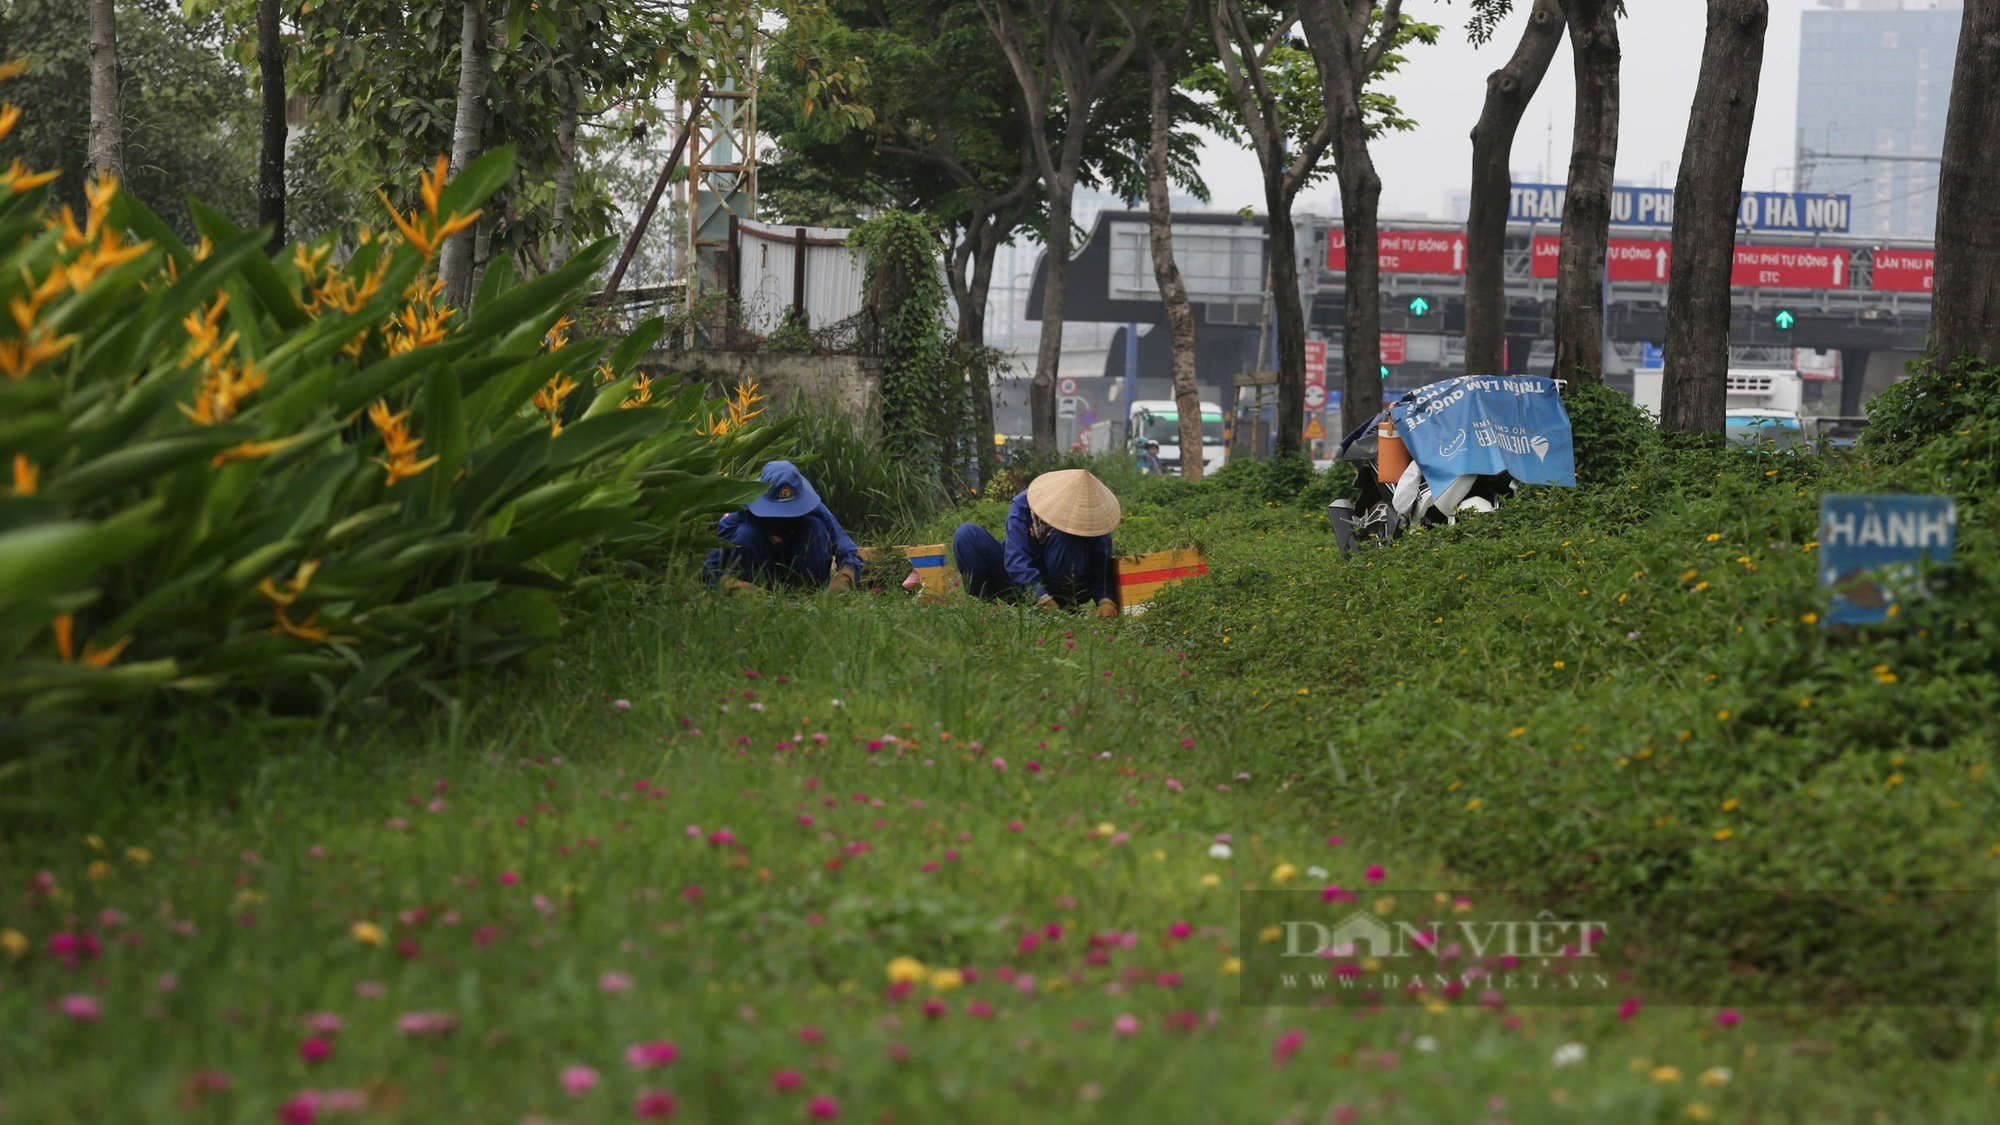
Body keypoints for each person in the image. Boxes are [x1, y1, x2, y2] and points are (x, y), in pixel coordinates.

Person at [952, 468, 1120, 618]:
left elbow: (1102, 570)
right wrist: (1041, 598)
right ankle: (983, 610)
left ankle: (1066, 609)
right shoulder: (1025, 504)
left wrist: (1105, 600)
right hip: (1020, 586)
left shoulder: (1095, 519)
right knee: (966, 534)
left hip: (1069, 584)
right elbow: (1016, 560)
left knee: (1066, 536)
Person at [704, 460, 864, 593]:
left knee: (814, 527)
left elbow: (850, 553)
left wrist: (844, 578)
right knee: (745, 534)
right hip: (759, 582)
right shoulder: (738, 515)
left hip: (806, 583)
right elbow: (710, 570)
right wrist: (736, 586)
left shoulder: (815, 511)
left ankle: (807, 593)